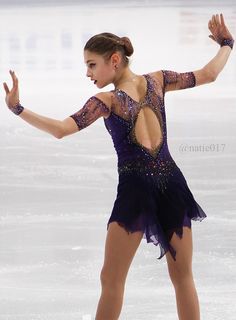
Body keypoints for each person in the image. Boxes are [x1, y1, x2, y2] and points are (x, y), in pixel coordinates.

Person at [3, 13, 234, 320]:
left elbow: (60, 129)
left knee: (111, 280)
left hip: (135, 192)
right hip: (172, 184)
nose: (87, 72)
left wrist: (18, 109)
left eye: (91, 64)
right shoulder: (159, 81)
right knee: (182, 278)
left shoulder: (107, 101)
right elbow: (209, 74)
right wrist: (227, 43)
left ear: (114, 60)